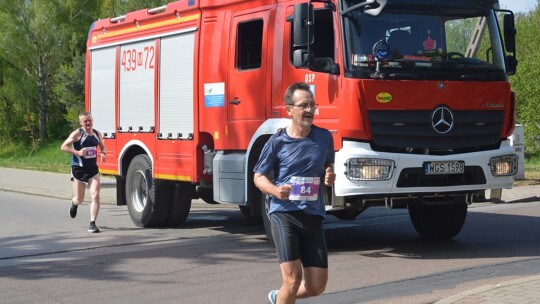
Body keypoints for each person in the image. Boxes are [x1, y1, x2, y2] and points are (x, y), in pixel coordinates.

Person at [254, 82, 336, 304]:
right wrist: (275, 190)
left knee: (316, 286)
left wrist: (329, 176)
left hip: (313, 214)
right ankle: (284, 295)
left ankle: (278, 298)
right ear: (289, 109)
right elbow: (258, 177)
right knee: (292, 279)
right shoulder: (277, 141)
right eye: (303, 105)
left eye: (312, 105)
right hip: (284, 214)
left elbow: (328, 167)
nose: (309, 110)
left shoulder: (324, 138)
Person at [61, 111, 106, 233]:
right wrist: (77, 152)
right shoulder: (77, 134)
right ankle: (74, 203)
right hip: (78, 169)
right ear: (81, 122)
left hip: (93, 169)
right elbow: (63, 147)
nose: (88, 123)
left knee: (95, 195)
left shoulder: (97, 134)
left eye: (90, 120)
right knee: (80, 199)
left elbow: (102, 146)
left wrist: (103, 153)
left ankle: (92, 223)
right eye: (85, 121)